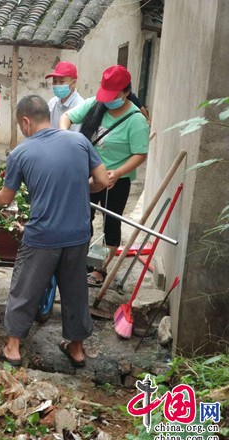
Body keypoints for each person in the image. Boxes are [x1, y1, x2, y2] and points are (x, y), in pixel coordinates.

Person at [0, 95, 108, 369]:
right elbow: (101, 180)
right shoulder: (79, 141)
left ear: (25, 121)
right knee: (75, 291)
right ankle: (76, 349)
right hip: (78, 234)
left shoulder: (20, 153)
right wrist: (79, 186)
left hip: (42, 236)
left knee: (24, 289)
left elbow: (5, 198)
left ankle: (12, 348)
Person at [60, 65, 150, 287]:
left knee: (111, 223)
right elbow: (67, 117)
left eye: (113, 96)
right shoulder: (95, 104)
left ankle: (101, 268)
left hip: (115, 181)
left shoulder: (136, 120)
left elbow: (140, 154)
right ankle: (81, 260)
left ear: (126, 92)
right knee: (83, 219)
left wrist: (118, 172)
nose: (108, 100)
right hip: (86, 176)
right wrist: (64, 136)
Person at [45, 61, 84, 131]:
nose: (57, 85)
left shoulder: (80, 106)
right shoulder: (52, 103)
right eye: (55, 81)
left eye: (62, 82)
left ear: (73, 83)